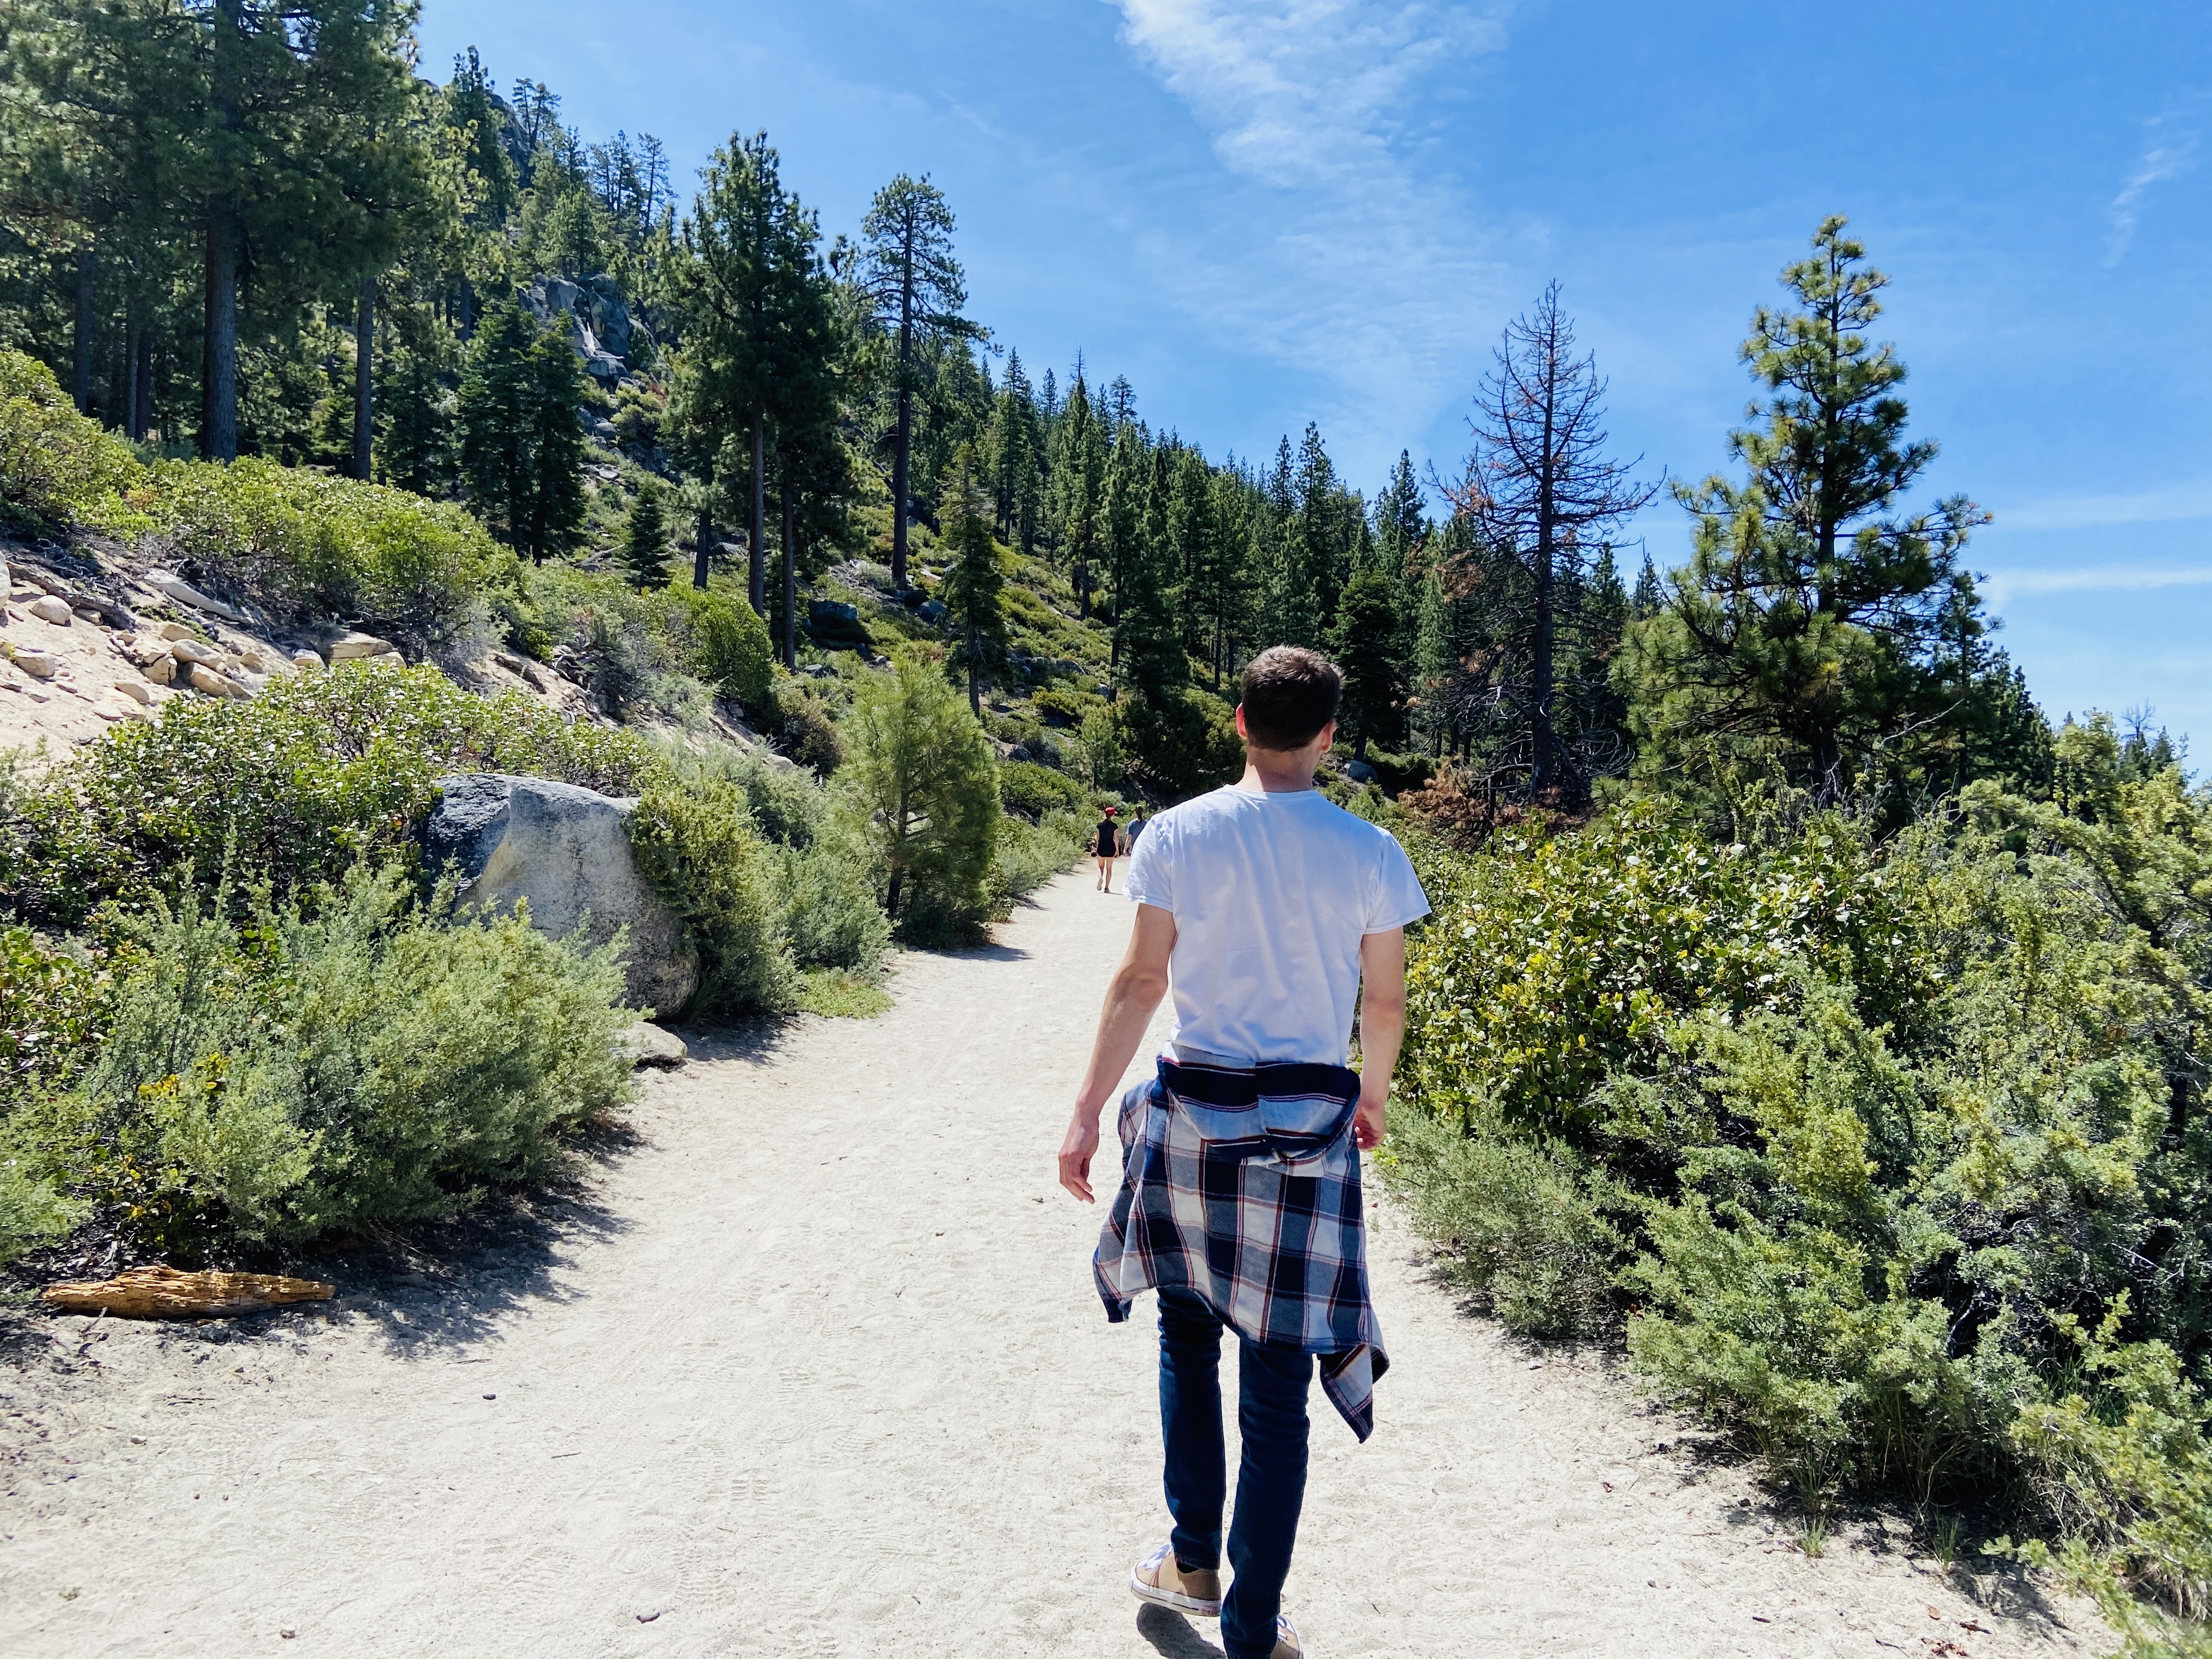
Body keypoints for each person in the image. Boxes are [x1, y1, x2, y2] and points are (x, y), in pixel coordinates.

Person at [1057, 646, 1430, 1659]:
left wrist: (1089, 1106)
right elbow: (1385, 1000)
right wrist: (1374, 1097)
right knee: (1276, 1386)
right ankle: (1253, 1629)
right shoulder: (1372, 851)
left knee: (1186, 1335)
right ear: (1327, 737)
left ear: (1237, 721)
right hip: (1306, 1132)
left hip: (1193, 1117)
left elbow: (1141, 983)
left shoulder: (1176, 832)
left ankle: (1191, 1560)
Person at [1093, 804, 1121, 891]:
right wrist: (1117, 852)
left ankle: (1100, 878)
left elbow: (1098, 839)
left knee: (1100, 867)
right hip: (1111, 848)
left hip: (1102, 847)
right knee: (1109, 869)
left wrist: (1097, 849)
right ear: (1112, 815)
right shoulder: (1115, 826)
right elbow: (1116, 840)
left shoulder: (1099, 825)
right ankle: (1106, 888)